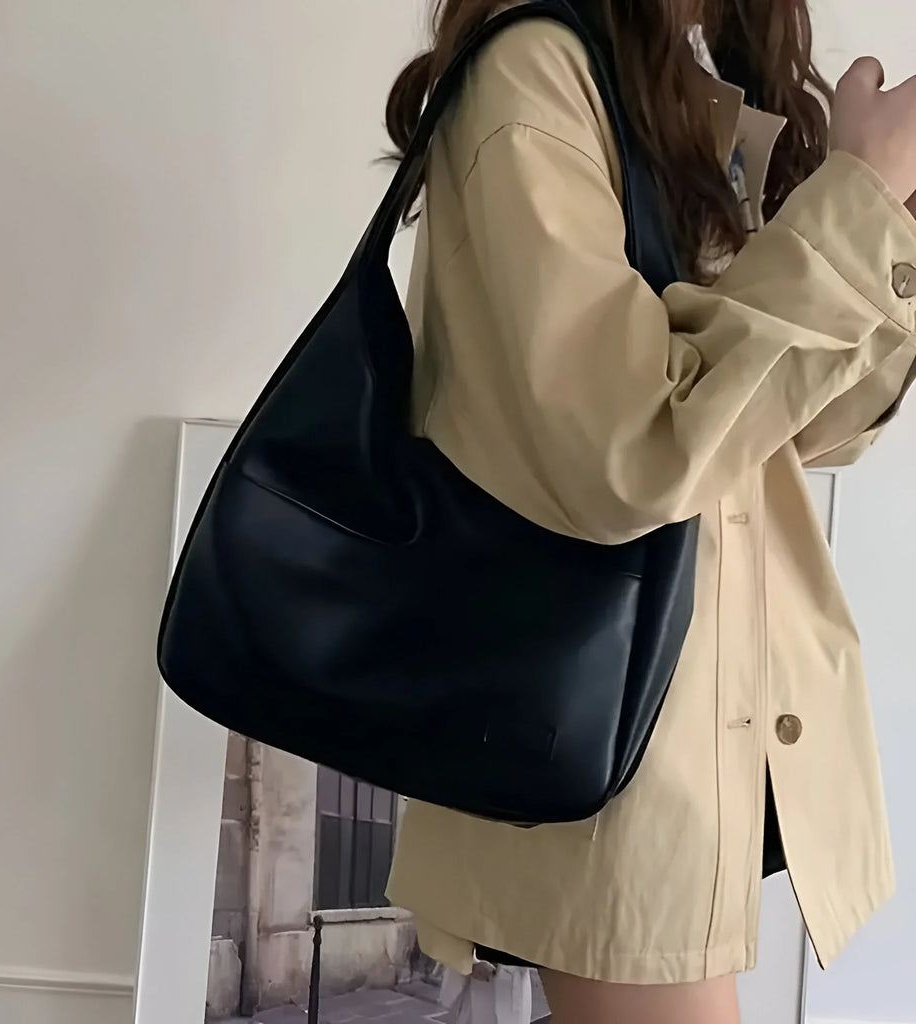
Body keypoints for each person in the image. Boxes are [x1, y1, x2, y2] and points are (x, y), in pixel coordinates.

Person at [383, 1, 916, 1022]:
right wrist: (857, 203)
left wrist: (885, 220)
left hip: (707, 700)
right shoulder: (537, 69)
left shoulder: (678, 89)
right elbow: (627, 447)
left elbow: (798, 430)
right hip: (618, 717)